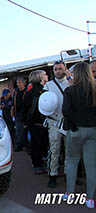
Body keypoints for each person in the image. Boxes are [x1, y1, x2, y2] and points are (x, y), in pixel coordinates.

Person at [62, 62, 96, 209]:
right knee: (91, 166)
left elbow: (66, 111)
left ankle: (69, 193)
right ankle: (90, 198)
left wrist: (74, 125)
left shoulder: (70, 90)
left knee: (72, 161)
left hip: (75, 131)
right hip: (92, 131)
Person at [43, 60, 70, 188]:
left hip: (69, 122)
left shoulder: (71, 83)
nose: (58, 71)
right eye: (55, 69)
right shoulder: (48, 85)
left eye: (60, 68)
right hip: (53, 121)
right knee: (54, 150)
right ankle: (52, 175)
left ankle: (68, 175)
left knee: (70, 151)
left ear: (65, 69)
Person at [23, 70, 49, 174]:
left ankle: (37, 165)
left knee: (35, 145)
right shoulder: (44, 91)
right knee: (43, 145)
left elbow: (25, 109)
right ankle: (42, 164)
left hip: (32, 123)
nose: (47, 76)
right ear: (40, 78)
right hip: (42, 122)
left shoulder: (29, 92)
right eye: (45, 74)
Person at [12, 77, 28, 152]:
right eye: (17, 83)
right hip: (17, 113)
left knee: (26, 130)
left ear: (23, 83)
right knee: (18, 130)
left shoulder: (27, 91)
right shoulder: (15, 92)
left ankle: (27, 145)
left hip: (26, 114)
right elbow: (13, 102)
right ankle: (19, 145)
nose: (18, 84)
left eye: (19, 83)